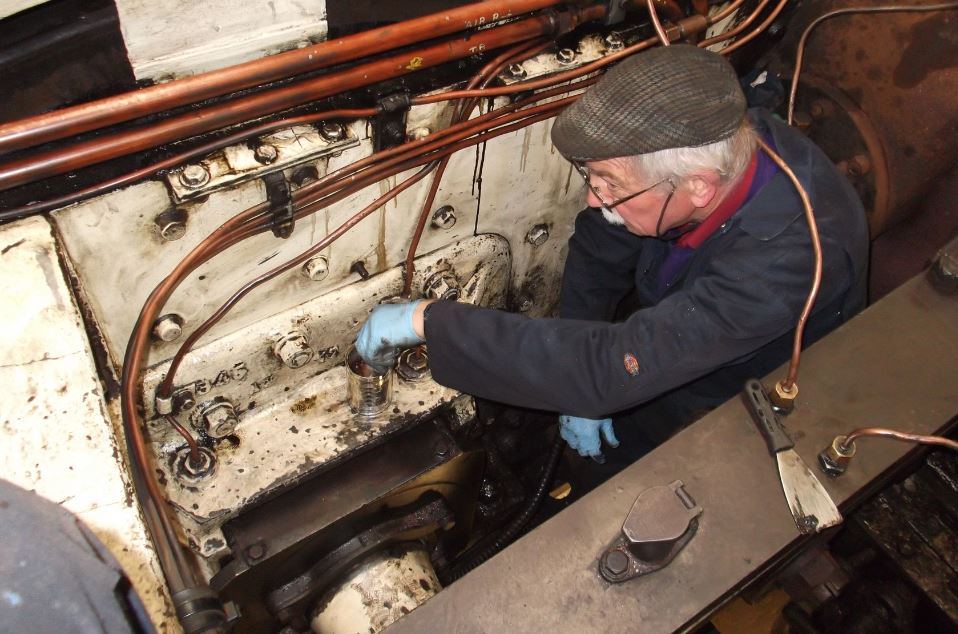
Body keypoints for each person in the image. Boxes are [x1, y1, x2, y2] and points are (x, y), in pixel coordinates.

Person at [356, 44, 868, 463]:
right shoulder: (708, 141)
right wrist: (580, 353)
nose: (593, 199)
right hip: (678, 320)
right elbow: (601, 247)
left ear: (700, 189)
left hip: (731, 392)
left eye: (610, 185)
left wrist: (431, 323)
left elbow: (619, 367)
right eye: (590, 176)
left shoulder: (785, 260)